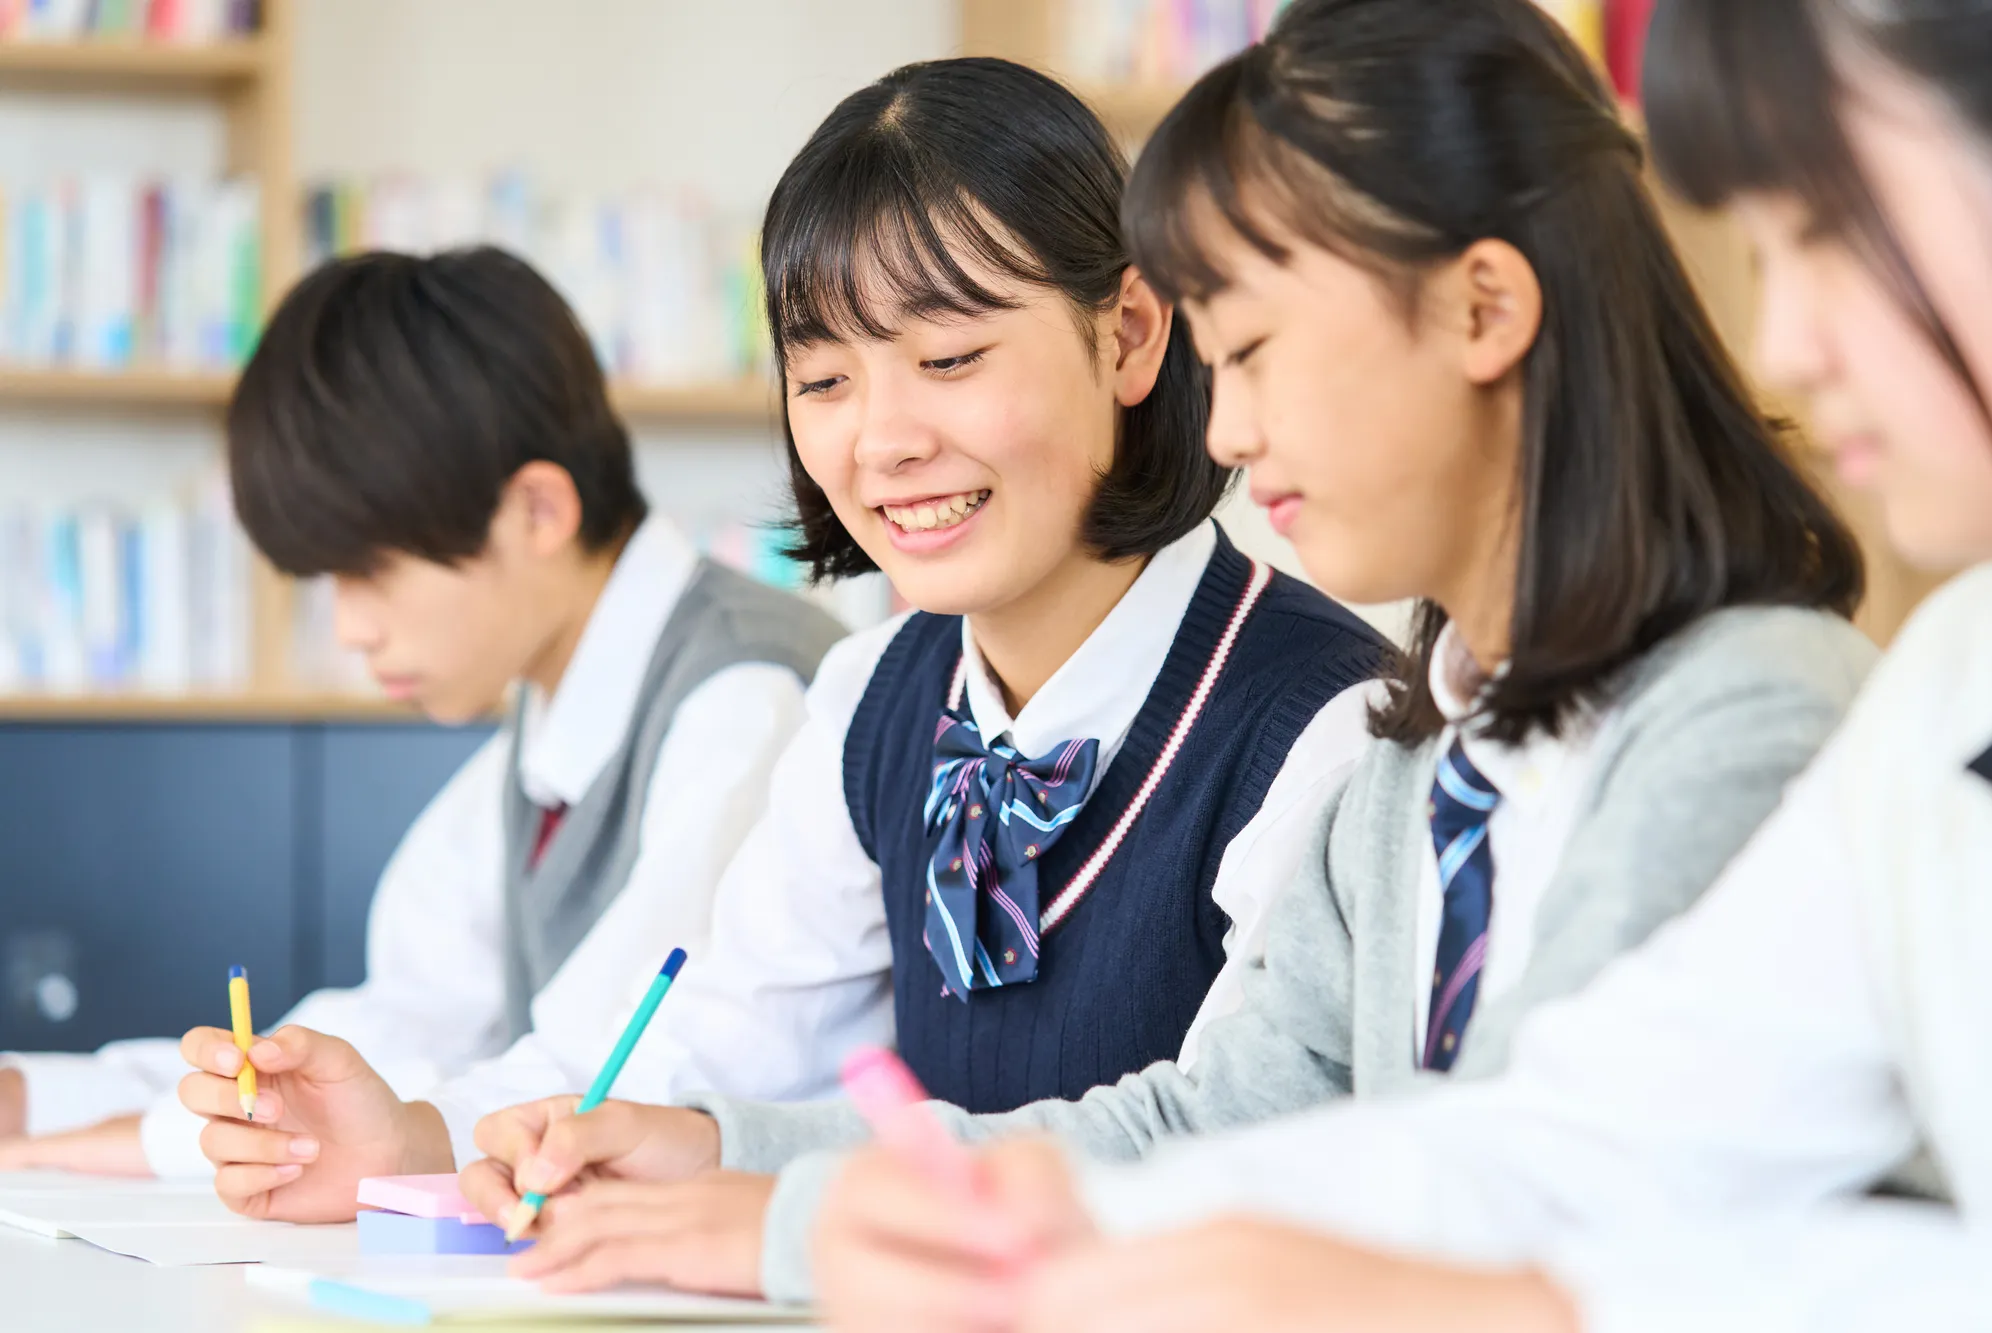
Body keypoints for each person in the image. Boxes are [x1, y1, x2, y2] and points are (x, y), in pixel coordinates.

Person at [472, 1, 1878, 1301]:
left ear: (1482, 310)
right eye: (825, 377)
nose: (1226, 430)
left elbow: (1506, 1188)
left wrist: (782, 1220)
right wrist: (733, 1157)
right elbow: (1212, 1126)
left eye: (1254, 350)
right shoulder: (1419, 766)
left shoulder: (1739, 717)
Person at [814, 1, 1992, 1328]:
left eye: (1828, 236)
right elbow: (1577, 1136)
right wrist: (1079, 1220)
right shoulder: (1948, 676)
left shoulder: (1759, 706)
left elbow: (1635, 1207)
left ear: (1487, 304)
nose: (1788, 346)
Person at [168, 59, 1391, 1245]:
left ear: (1128, 334)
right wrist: (426, 1145)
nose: (880, 440)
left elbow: (1235, 1147)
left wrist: (752, 1207)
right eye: (823, 378)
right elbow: (715, 1047)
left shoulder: (1321, 722)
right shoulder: (874, 702)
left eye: (949, 358)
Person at [0, 247, 844, 1182]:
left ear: (536, 510)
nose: (353, 629)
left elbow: (604, 1074)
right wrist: (34, 1098)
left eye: (371, 573)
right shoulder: (554, 712)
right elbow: (408, 1015)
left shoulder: (745, 699)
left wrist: (57, 1151)